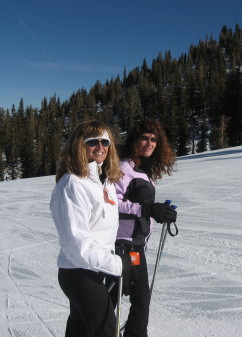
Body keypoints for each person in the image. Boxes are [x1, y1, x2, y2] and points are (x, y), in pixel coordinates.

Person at [50, 120, 131, 337]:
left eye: (105, 141)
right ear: (79, 145)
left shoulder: (104, 183)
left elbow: (101, 228)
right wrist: (116, 264)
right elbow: (76, 243)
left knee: (81, 328)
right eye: (92, 142)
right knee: (106, 330)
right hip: (79, 272)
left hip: (95, 270)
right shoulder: (73, 184)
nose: (100, 146)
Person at [109, 119, 177, 337]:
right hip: (120, 245)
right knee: (110, 299)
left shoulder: (145, 172)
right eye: (145, 138)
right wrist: (147, 210)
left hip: (136, 247)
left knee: (141, 301)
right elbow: (111, 203)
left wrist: (161, 212)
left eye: (154, 139)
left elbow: (143, 207)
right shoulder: (122, 168)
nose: (150, 143)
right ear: (134, 140)